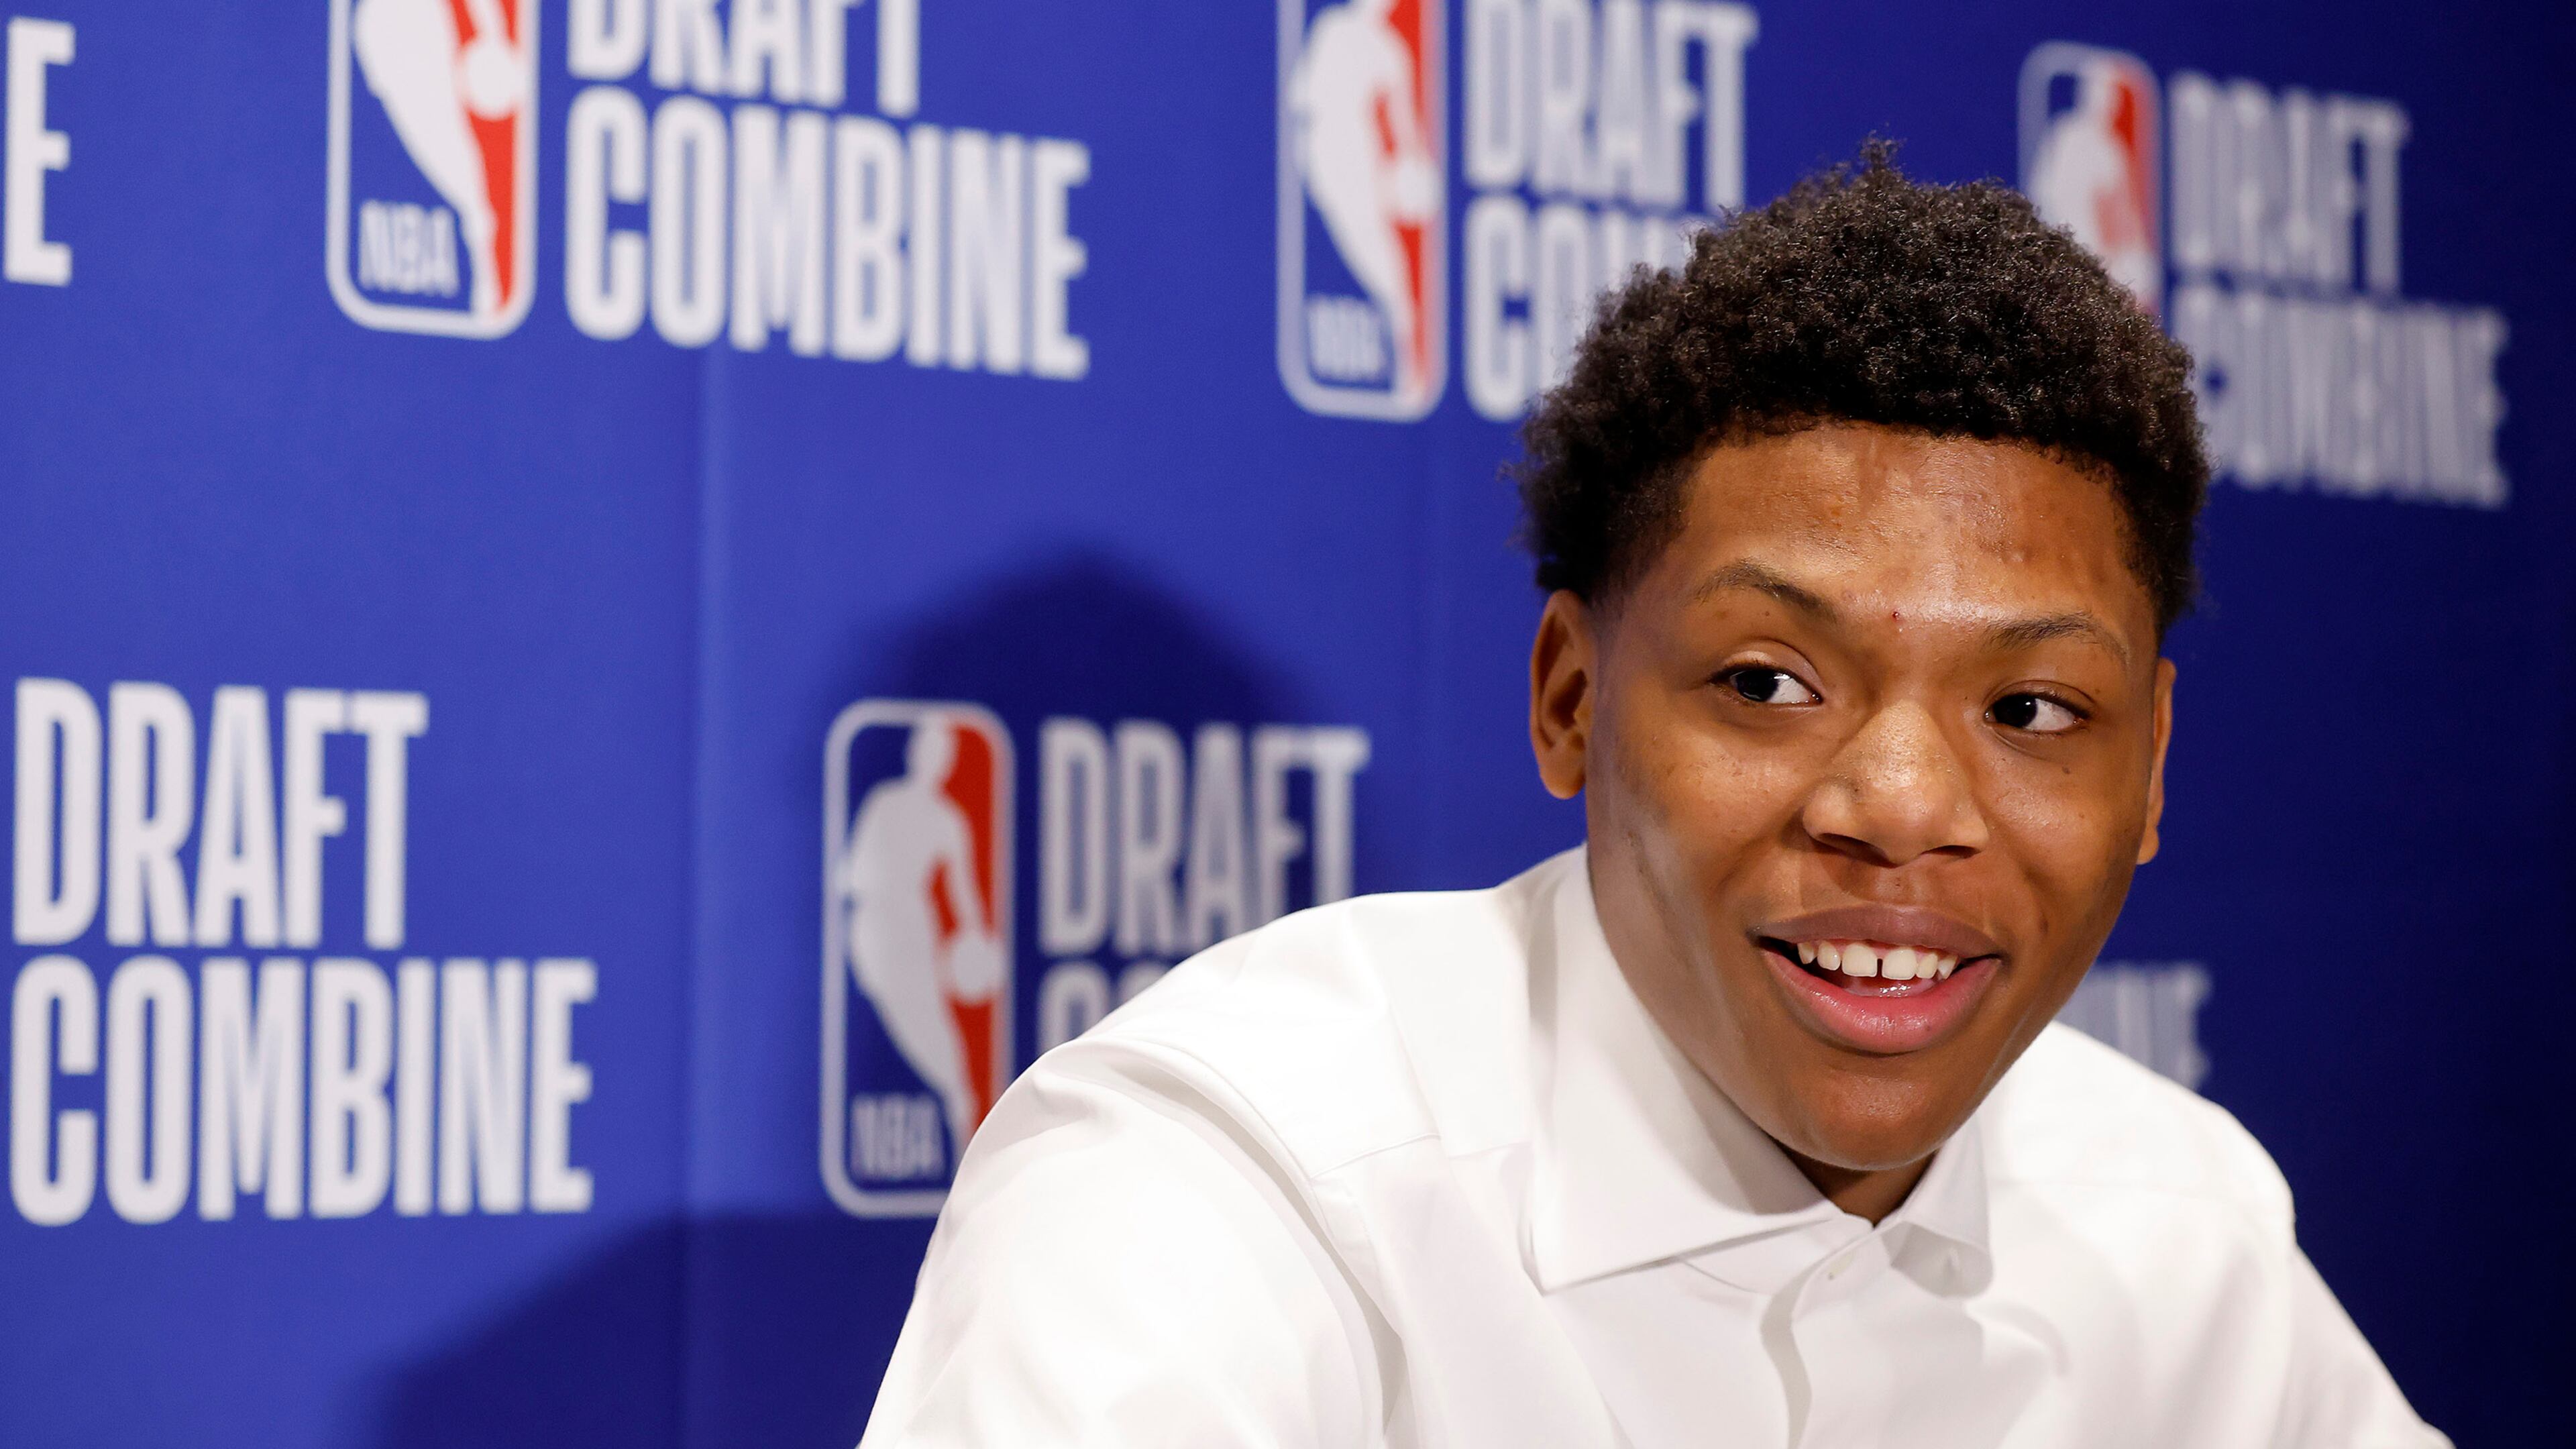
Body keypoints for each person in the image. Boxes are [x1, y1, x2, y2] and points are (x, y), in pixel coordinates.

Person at [858, 150, 2447, 1448]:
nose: (1900, 805)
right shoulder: (1226, 1184)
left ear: (2151, 764)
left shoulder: (2175, 1224)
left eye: (2031, 707)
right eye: (1767, 680)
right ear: (1568, 695)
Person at [845, 715, 1004, 1158]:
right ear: (914, 754)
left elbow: (964, 891)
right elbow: (852, 875)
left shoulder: (948, 821)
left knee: (938, 1041)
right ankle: (960, 1112)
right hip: (876, 929)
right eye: (927, 749)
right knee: (907, 1033)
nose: (933, 760)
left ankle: (965, 1149)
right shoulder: (885, 803)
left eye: (942, 754)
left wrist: (975, 938)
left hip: (915, 931)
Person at [1290, 0, 1439, 405]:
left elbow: (1408, 133)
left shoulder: (1391, 50)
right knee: (1374, 262)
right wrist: (1312, 160)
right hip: (1331, 161)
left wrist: (1412, 174)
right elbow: (1302, 103)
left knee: (1390, 267)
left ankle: (1408, 363)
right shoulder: (1332, 29)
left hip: (1363, 160)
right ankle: (1404, 355)